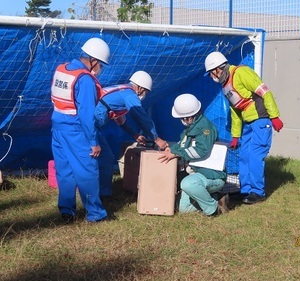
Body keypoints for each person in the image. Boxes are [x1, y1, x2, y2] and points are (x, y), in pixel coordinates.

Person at [204, 51, 284, 204]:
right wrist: (235, 136)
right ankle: (246, 190)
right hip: (248, 123)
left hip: (261, 120)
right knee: (245, 155)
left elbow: (265, 92)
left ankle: (257, 192)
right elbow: (236, 111)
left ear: (217, 69)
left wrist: (274, 116)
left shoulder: (241, 73)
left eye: (211, 74)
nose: (211, 77)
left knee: (255, 155)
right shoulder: (226, 85)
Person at [51, 37, 116, 223]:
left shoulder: (61, 69)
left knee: (65, 170)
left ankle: (67, 211)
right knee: (87, 170)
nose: (100, 69)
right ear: (94, 60)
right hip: (76, 130)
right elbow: (87, 115)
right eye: (100, 64)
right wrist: (94, 142)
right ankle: (96, 214)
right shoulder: (85, 79)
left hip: (57, 128)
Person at [94, 70, 167, 199]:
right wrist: (156, 138)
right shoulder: (130, 95)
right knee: (105, 158)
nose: (145, 95)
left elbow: (120, 119)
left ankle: (94, 191)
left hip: (87, 123)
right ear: (139, 88)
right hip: (90, 126)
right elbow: (141, 116)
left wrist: (135, 135)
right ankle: (103, 196)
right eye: (145, 91)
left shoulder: (121, 91)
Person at [159, 93, 226, 216]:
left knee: (187, 184)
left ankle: (213, 209)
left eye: (182, 118)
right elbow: (182, 145)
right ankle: (215, 197)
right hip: (197, 173)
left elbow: (201, 150)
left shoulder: (206, 128)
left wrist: (176, 154)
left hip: (211, 175)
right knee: (184, 210)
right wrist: (172, 149)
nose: (181, 121)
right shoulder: (191, 128)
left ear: (190, 116)